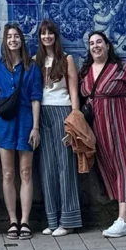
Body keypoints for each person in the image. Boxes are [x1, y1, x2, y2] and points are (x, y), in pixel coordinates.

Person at [79, 32, 126, 238]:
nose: (95, 46)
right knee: (111, 168)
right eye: (91, 43)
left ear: (108, 45)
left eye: (99, 42)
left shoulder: (122, 68)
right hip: (100, 128)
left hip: (124, 124)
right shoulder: (85, 71)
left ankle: (124, 220)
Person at [0, 24, 43, 240]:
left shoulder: (32, 68)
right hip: (4, 124)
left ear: (22, 40)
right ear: (4, 41)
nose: (13, 40)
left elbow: (36, 97)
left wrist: (36, 127)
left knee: (26, 172)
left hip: (26, 122)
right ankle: (12, 219)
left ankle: (25, 221)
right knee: (8, 173)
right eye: (9, 37)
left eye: (16, 36)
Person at [35, 19, 82, 235]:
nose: (47, 37)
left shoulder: (67, 59)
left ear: (56, 36)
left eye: (50, 33)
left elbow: (74, 89)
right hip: (42, 113)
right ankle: (52, 220)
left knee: (66, 166)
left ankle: (69, 220)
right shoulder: (36, 60)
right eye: (43, 34)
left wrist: (75, 114)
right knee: (47, 167)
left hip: (62, 110)